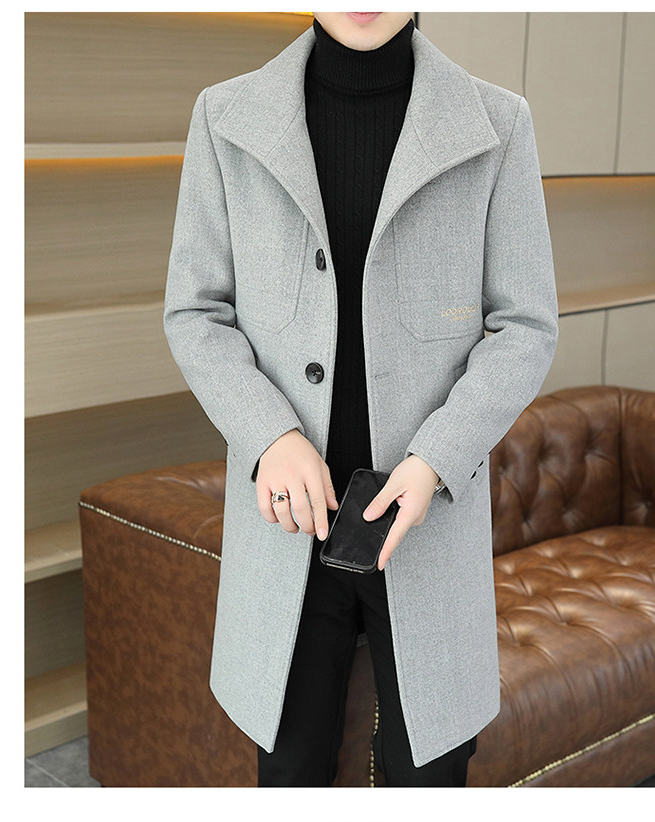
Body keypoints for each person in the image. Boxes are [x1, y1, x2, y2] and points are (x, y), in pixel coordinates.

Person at [164, 11, 558, 787]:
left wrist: (436, 459)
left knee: (430, 771)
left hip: (425, 520)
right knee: (290, 769)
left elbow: (526, 327)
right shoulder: (224, 116)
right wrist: (269, 436)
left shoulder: (498, 124)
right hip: (286, 520)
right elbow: (195, 313)